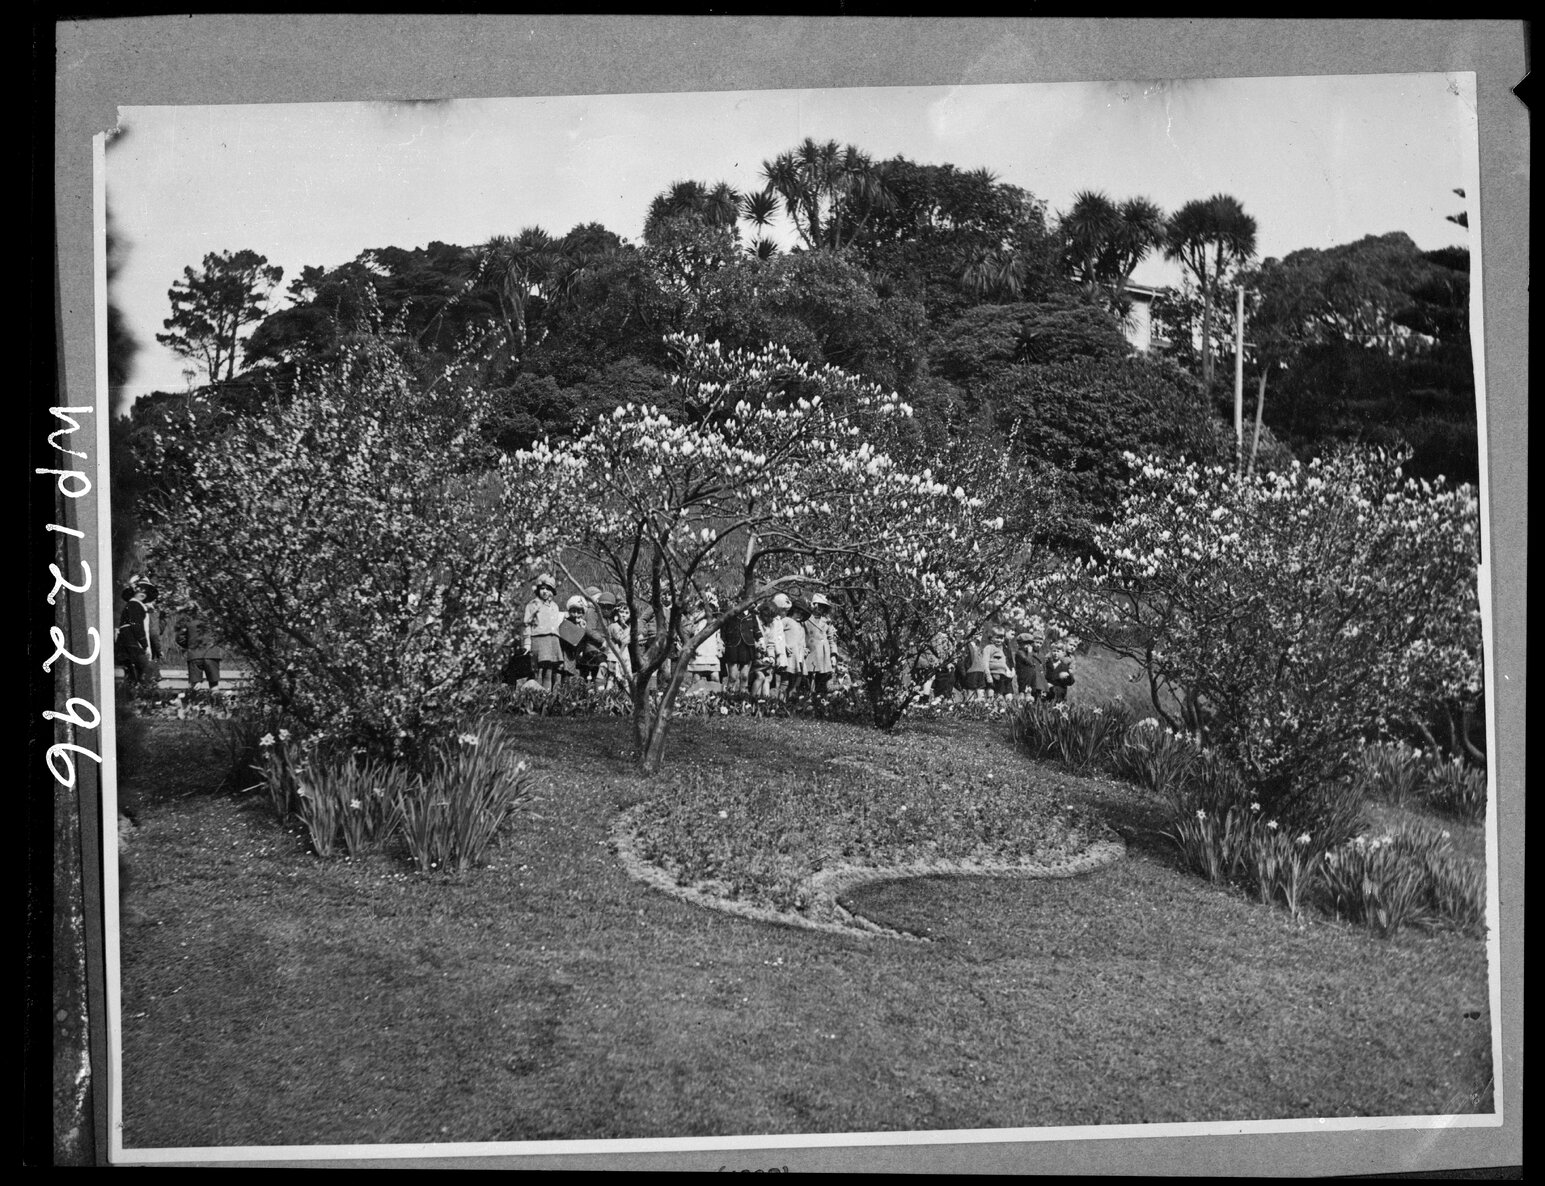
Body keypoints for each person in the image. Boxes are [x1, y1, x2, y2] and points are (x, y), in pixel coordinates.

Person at [172, 600, 225, 699]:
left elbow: (179, 638)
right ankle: (216, 705)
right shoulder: (213, 621)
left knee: (195, 684)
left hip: (194, 655)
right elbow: (221, 636)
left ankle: (192, 707)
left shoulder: (187, 622)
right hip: (211, 654)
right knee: (214, 685)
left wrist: (189, 645)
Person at [116, 583, 161, 698]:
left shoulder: (135, 605)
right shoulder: (134, 605)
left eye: (145, 592)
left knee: (134, 674)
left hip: (128, 643)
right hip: (132, 643)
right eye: (139, 590)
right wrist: (144, 644)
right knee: (148, 669)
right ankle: (153, 699)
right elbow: (137, 626)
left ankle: (133, 700)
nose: (143, 593)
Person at [524, 574, 564, 691]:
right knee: (538, 670)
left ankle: (547, 697)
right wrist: (527, 642)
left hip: (553, 641)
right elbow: (527, 624)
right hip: (539, 639)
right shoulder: (533, 605)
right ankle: (536, 695)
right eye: (542, 588)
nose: (545, 592)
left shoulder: (555, 606)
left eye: (548, 589)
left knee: (549, 671)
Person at [803, 592, 837, 703]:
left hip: (824, 653)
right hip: (811, 652)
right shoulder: (806, 619)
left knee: (822, 678)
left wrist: (833, 654)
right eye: (819, 606)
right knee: (809, 677)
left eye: (823, 607)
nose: (820, 609)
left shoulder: (827, 621)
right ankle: (807, 700)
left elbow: (831, 639)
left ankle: (819, 701)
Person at [1044, 629, 1077, 702]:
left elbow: (1071, 672)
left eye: (1074, 646)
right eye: (1071, 645)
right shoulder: (1057, 650)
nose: (1072, 647)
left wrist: (1068, 674)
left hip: (1060, 683)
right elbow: (1048, 658)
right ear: (1065, 644)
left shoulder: (1071, 658)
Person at [984, 627, 1015, 698]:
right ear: (991, 638)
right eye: (997, 638)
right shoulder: (989, 648)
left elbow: (1003, 663)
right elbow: (985, 662)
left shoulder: (1001, 649)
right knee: (991, 693)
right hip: (992, 674)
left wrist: (1007, 671)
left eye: (1001, 638)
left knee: (999, 695)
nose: (999, 640)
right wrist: (988, 676)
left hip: (1001, 675)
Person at [960, 631, 991, 701]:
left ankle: (978, 709)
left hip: (980, 673)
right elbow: (962, 661)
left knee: (981, 695)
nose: (980, 636)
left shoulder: (979, 646)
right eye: (978, 634)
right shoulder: (966, 645)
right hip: (971, 672)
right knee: (970, 694)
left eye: (981, 634)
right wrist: (965, 674)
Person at [1014, 631, 1043, 702]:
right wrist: (1030, 652)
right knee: (1023, 694)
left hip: (1030, 677)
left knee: (1029, 695)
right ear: (1020, 644)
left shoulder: (1027, 653)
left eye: (1030, 643)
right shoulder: (1020, 653)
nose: (1028, 646)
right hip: (1024, 678)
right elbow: (1029, 662)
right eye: (1025, 643)